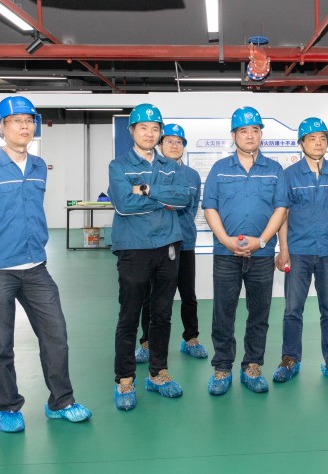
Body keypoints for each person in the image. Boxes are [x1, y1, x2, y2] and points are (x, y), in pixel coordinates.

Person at [0, 95, 92, 432]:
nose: (24, 126)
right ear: (1, 127)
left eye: (29, 120)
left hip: (36, 267)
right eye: (16, 121)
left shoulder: (38, 166)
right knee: (1, 343)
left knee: (56, 335)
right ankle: (8, 406)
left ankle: (61, 401)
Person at [109, 103, 191, 410]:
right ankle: (124, 379)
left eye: (155, 128)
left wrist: (144, 189)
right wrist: (161, 197)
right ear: (132, 131)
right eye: (143, 127)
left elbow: (183, 198)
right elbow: (123, 204)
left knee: (162, 314)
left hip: (168, 246)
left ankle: (158, 373)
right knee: (129, 315)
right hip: (134, 249)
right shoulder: (118, 165)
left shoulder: (170, 165)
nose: (149, 133)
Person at [202, 106, 288, 395]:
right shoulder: (220, 169)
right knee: (223, 312)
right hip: (225, 254)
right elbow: (210, 207)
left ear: (261, 134)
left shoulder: (274, 170)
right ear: (233, 135)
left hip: (262, 255)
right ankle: (222, 367)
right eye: (243, 131)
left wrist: (262, 241)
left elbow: (280, 209)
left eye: (255, 130)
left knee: (259, 313)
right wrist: (225, 240)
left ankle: (252, 364)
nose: (250, 135)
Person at [272, 117, 328, 383]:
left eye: (323, 138)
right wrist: (283, 249)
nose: (318, 143)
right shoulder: (289, 175)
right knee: (292, 309)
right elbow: (283, 215)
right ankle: (290, 358)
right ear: (301, 143)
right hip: (298, 251)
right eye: (312, 139)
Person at [134, 124, 207, 363]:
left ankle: (191, 338)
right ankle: (147, 342)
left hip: (184, 242)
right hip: (157, 243)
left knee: (188, 293)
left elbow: (191, 207)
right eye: (169, 141)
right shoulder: (152, 172)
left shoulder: (193, 176)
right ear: (160, 145)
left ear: (184, 146)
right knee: (151, 296)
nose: (174, 145)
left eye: (179, 142)